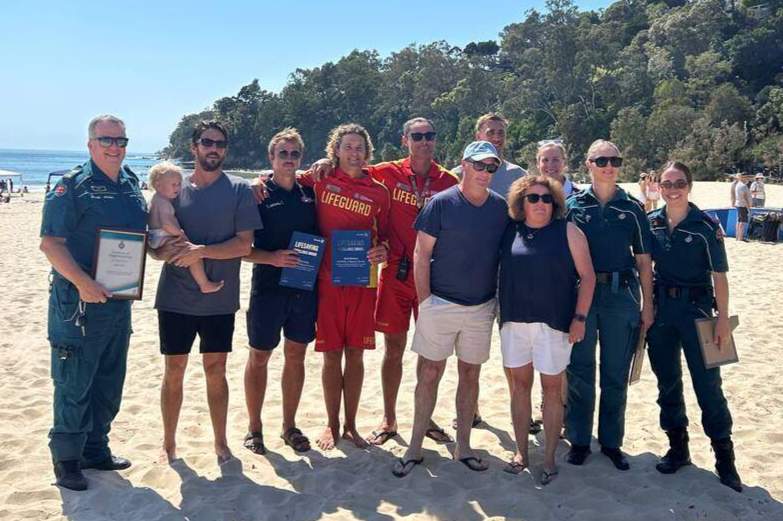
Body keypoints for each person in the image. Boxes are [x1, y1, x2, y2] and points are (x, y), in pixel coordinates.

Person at [306, 118, 457, 445]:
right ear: (405, 140)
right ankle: (388, 418)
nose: (424, 141)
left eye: (429, 135)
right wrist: (323, 162)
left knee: (431, 351)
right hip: (394, 275)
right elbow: (337, 174)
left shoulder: (449, 181)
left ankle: (425, 415)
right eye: (417, 136)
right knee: (394, 348)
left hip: (433, 275)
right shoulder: (385, 174)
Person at [40, 114, 147, 491]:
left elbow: (142, 235)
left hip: (119, 302)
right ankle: (67, 460)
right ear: (90, 144)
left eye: (121, 141)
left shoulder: (131, 183)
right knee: (73, 382)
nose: (115, 147)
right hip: (78, 303)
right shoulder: (72, 186)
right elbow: (51, 244)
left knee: (109, 379)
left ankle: (96, 449)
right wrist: (83, 282)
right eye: (107, 140)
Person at [392, 141, 509, 477]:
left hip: (481, 306)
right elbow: (420, 253)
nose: (485, 173)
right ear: (464, 165)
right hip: (440, 302)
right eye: (479, 165)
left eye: (491, 168)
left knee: (470, 376)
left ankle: (464, 446)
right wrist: (426, 301)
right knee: (429, 374)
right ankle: (414, 446)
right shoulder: (440, 204)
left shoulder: (500, 208)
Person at [155, 120, 262, 463]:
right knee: (174, 370)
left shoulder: (239, 190)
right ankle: (168, 444)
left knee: (216, 369)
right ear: (194, 147)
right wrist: (161, 251)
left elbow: (244, 245)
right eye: (206, 142)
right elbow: (155, 244)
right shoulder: (174, 189)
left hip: (220, 297)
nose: (213, 148)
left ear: (225, 150)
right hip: (175, 297)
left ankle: (221, 442)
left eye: (219, 143)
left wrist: (200, 251)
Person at [646, 161, 743, 492]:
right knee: (667, 383)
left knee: (708, 387)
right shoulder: (651, 224)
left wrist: (723, 321)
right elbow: (644, 268)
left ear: (689, 186)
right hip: (662, 312)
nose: (673, 189)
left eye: (679, 183)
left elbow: (720, 276)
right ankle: (678, 448)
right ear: (658, 186)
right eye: (667, 183)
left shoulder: (705, 226)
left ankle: (725, 460)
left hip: (698, 311)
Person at [499, 175, 595, 485]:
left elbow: (588, 277)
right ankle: (522, 453)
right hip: (514, 322)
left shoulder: (568, 231)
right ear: (521, 202)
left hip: (554, 324)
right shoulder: (509, 231)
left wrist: (579, 318)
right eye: (533, 198)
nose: (540, 203)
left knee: (552, 390)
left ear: (555, 203)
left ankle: (551, 457)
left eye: (546, 198)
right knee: (519, 388)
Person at [565, 139, 654, 470]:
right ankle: (578, 439)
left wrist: (648, 306)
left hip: (622, 296)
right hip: (582, 296)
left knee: (616, 373)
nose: (608, 166)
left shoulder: (632, 209)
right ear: (588, 163)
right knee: (580, 370)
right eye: (601, 160)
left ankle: (612, 442)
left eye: (614, 160)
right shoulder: (573, 206)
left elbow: (644, 262)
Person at [300, 123, 390, 450]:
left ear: (367, 153)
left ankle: (351, 425)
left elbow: (389, 236)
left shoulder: (379, 191)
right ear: (335, 150)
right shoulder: (320, 179)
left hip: (364, 282)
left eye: (359, 147)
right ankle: (331, 423)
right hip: (326, 281)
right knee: (330, 355)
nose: (353, 152)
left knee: (356, 354)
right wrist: (255, 182)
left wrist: (385, 251)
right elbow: (281, 178)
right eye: (347, 146)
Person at [242, 128, 318, 455]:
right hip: (267, 288)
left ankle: (289, 425)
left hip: (304, 287)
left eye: (294, 154)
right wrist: (271, 258)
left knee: (296, 356)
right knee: (259, 356)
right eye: (282, 154)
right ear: (271, 158)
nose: (288, 159)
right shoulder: (257, 194)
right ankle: (254, 428)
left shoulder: (310, 192)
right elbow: (240, 249)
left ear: (301, 158)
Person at [147, 162, 224, 294]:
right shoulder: (163, 202)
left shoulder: (156, 199)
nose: (177, 188)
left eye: (179, 183)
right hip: (163, 236)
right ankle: (204, 283)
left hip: (156, 237)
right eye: (173, 185)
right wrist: (180, 234)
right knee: (194, 255)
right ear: (158, 185)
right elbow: (166, 224)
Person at [452, 113, 527, 199]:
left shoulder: (518, 175)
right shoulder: (458, 175)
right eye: (490, 133)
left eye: (501, 133)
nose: (497, 138)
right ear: (478, 136)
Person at [734, 173, 752, 242]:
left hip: (739, 204)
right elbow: (745, 197)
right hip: (742, 205)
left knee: (739, 221)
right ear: (742, 178)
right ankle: (740, 238)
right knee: (742, 222)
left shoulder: (737, 185)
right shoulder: (743, 186)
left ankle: (738, 237)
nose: (746, 179)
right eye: (745, 177)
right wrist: (748, 207)